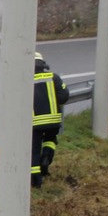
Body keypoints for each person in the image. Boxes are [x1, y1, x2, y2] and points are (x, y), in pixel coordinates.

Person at [31, 51, 68, 188]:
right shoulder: (54, 78)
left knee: (34, 150)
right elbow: (64, 96)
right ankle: (46, 158)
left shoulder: (25, 80)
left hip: (34, 123)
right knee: (50, 141)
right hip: (53, 121)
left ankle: (36, 181)